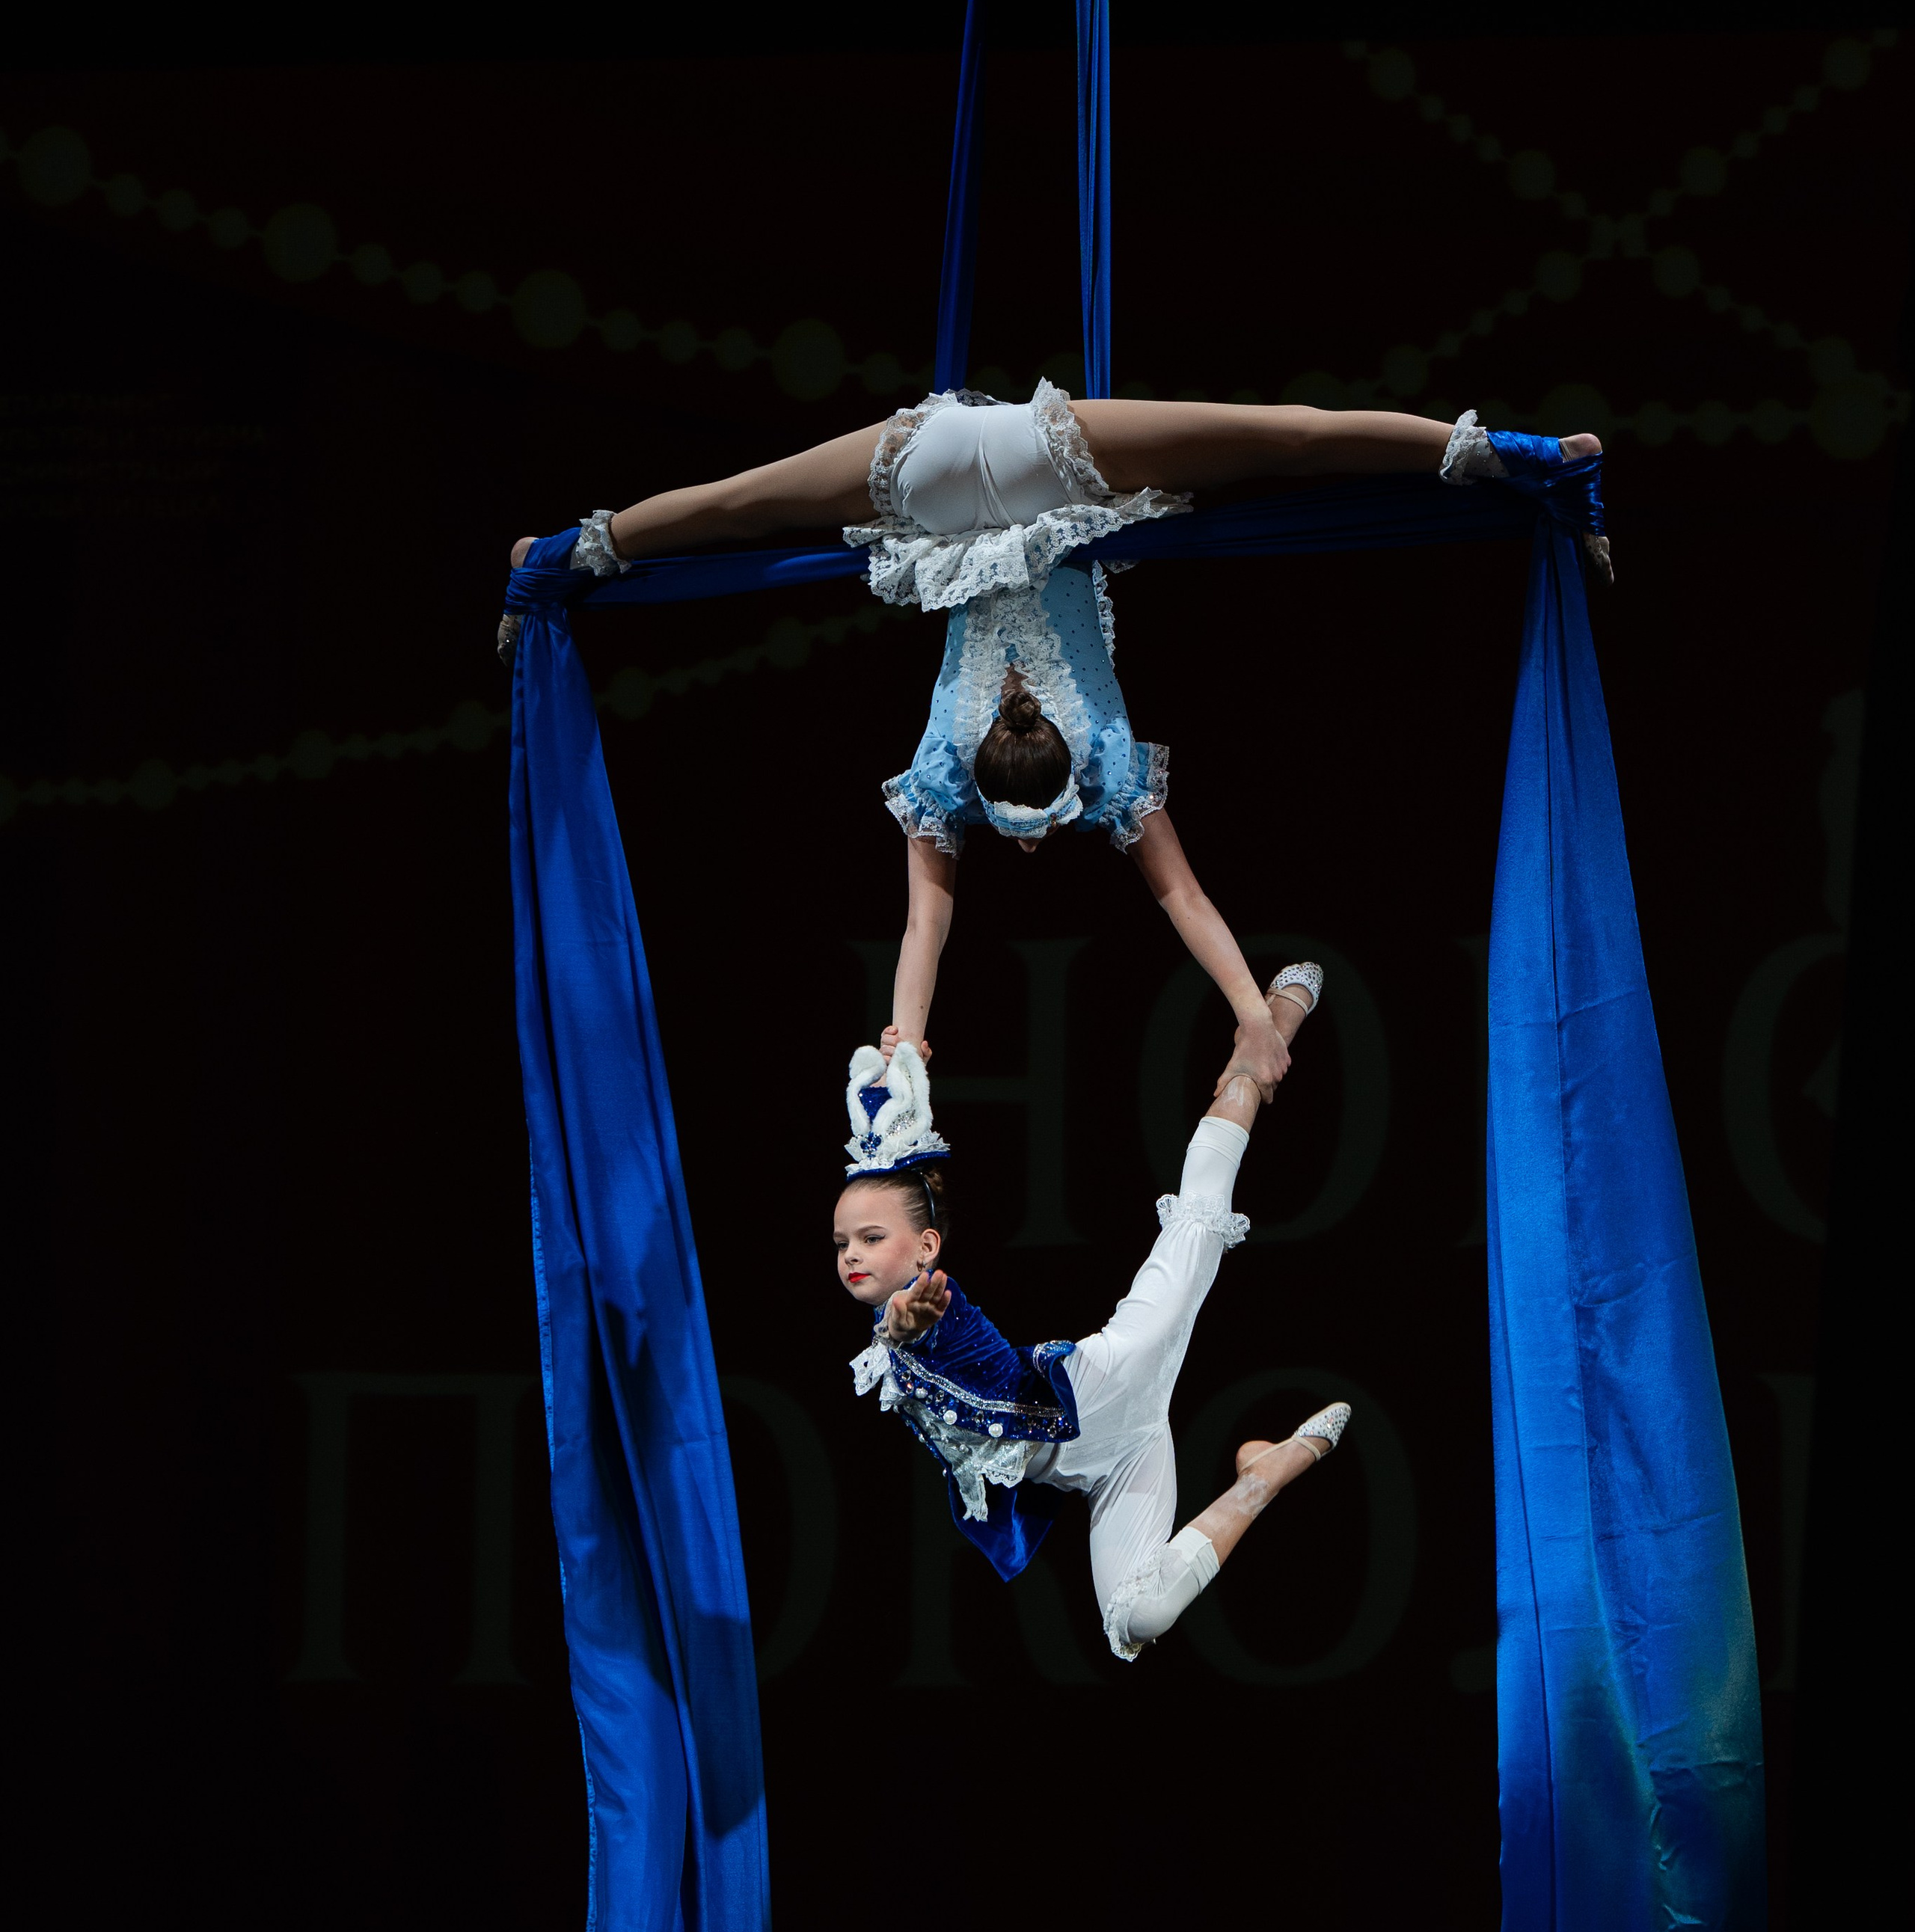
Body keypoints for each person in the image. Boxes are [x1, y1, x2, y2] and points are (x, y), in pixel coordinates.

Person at [510, 387, 1606, 1092]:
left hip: (1005, 471)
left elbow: (1160, 897)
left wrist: (1246, 1016)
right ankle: (1521, 450)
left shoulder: (1089, 766)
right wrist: (902, 1034)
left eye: (1024, 837)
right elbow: (932, 922)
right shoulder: (964, 763)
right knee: (1286, 433)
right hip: (935, 467)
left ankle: (559, 552)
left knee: (738, 505)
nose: (1029, 850)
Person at [833, 990, 1347, 1664]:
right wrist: (898, 1061)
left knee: (1197, 1223)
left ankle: (1262, 1042)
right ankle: (1262, 1474)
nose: (851, 1255)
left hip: (1108, 1384)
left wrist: (906, 1325)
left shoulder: (930, 1309)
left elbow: (924, 1325)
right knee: (1137, 1617)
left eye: (871, 1238)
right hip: (1104, 1463)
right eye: (842, 1242)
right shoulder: (891, 1322)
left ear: (926, 1247)